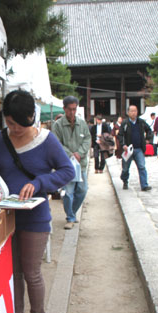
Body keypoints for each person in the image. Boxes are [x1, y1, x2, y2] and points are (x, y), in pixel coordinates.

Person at [0, 90, 75, 313]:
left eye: (19, 124)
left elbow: (66, 170)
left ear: (31, 117)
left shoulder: (48, 140)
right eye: (9, 123)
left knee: (32, 273)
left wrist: (40, 181)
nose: (14, 129)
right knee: (14, 273)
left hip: (35, 217)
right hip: (5, 216)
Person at [52, 96, 91, 229]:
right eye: (70, 109)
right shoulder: (57, 125)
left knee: (82, 190)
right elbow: (56, 144)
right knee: (68, 192)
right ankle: (70, 217)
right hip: (66, 165)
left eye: (74, 109)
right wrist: (70, 154)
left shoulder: (82, 123)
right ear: (64, 109)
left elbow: (87, 139)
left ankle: (72, 213)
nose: (72, 112)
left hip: (81, 164)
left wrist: (80, 153)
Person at [118, 105, 153, 191]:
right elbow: (120, 135)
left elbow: (149, 130)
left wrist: (148, 139)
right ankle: (125, 180)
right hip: (128, 149)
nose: (134, 113)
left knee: (142, 166)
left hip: (138, 148)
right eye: (132, 111)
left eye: (135, 111)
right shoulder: (125, 123)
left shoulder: (141, 122)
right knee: (125, 168)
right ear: (128, 112)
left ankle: (144, 185)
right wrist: (123, 145)